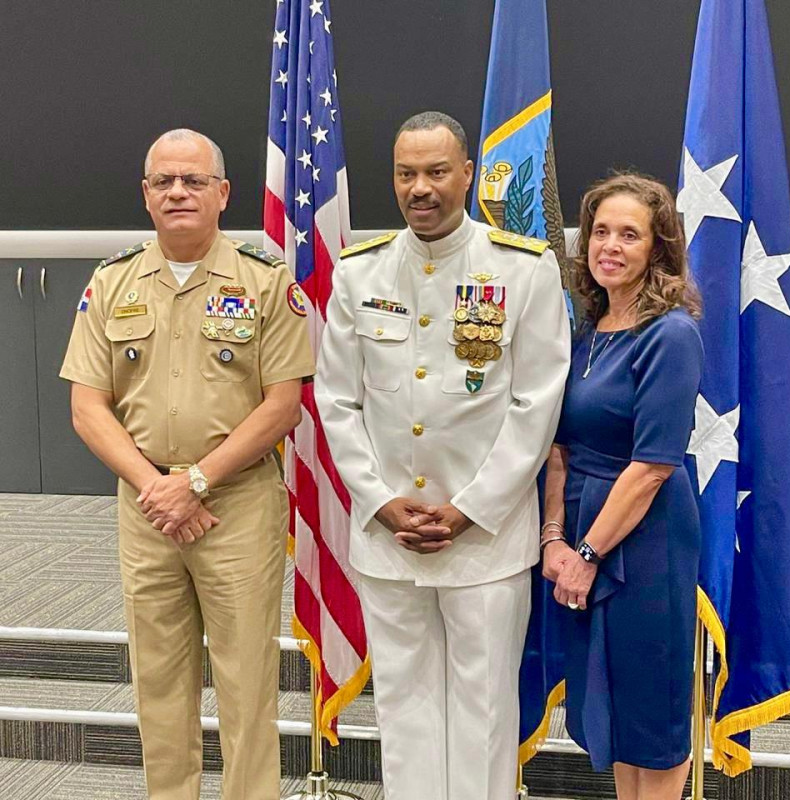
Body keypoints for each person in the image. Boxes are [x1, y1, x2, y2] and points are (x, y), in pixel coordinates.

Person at [314, 111, 571, 800]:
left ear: (466, 174)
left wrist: (470, 508)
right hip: (388, 536)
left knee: (485, 710)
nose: (419, 188)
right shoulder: (360, 270)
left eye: (434, 172)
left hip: (484, 539)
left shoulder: (524, 267)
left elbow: (536, 406)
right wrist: (377, 499)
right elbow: (337, 401)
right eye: (405, 173)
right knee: (403, 706)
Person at [60, 128, 315, 800]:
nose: (178, 192)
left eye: (193, 181)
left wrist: (196, 482)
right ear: (145, 195)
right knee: (158, 683)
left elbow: (282, 406)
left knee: (246, 684)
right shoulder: (111, 283)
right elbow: (88, 408)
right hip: (149, 513)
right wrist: (159, 488)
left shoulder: (265, 283)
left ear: (223, 194)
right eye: (164, 182)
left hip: (237, 506)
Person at [541, 173, 703, 800]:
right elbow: (559, 448)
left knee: (652, 710)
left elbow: (653, 466)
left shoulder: (670, 334)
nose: (609, 245)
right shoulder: (586, 331)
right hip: (582, 525)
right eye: (600, 232)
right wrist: (556, 537)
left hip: (645, 535)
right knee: (612, 703)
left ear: (658, 248)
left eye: (629, 235)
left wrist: (587, 555)